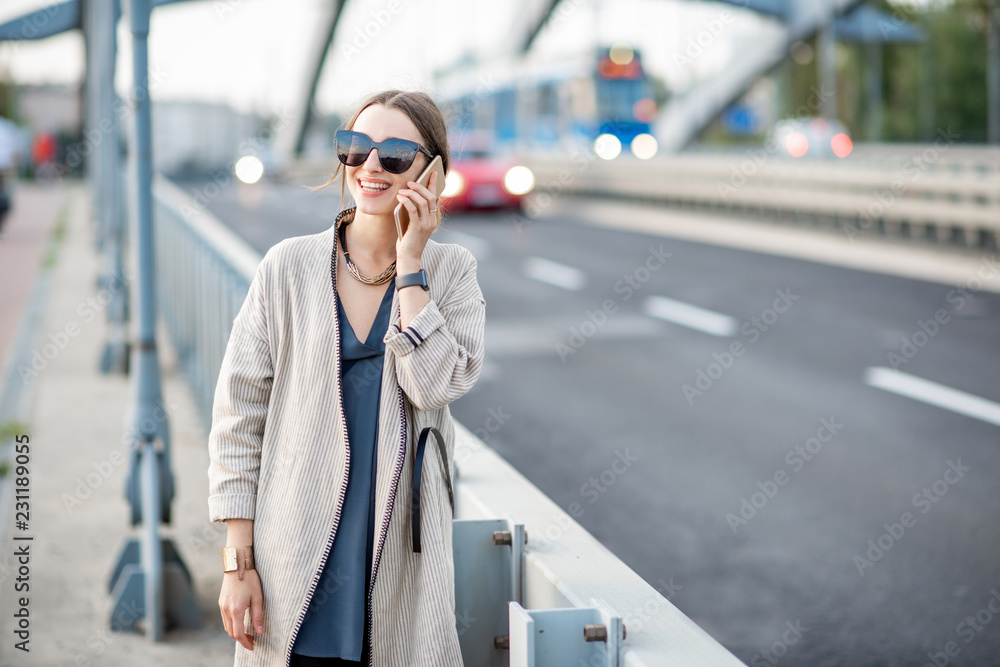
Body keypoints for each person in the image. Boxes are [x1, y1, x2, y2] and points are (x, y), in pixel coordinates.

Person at [207, 89, 486, 667]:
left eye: (394, 154)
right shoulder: (287, 267)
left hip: (400, 561)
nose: (370, 167)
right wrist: (239, 563)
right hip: (293, 553)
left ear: (431, 171)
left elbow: (434, 385)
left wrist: (412, 265)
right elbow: (239, 420)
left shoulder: (452, 272)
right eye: (355, 148)